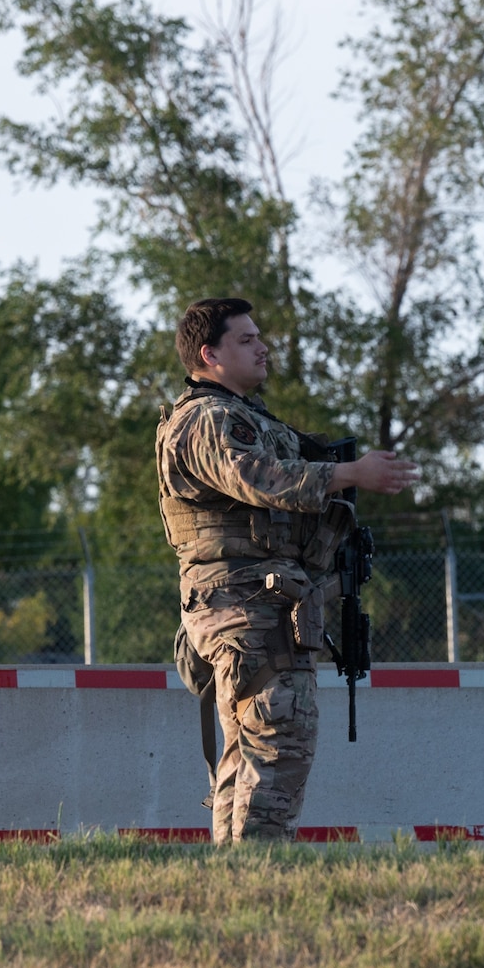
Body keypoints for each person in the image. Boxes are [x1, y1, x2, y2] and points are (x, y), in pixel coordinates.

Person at [156, 298, 416, 842]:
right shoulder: (208, 418)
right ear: (209, 354)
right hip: (247, 609)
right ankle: (258, 877)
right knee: (277, 748)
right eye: (246, 339)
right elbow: (258, 477)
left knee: (252, 755)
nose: (262, 346)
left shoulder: (245, 416)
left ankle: (239, 881)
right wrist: (350, 473)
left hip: (263, 606)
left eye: (259, 336)